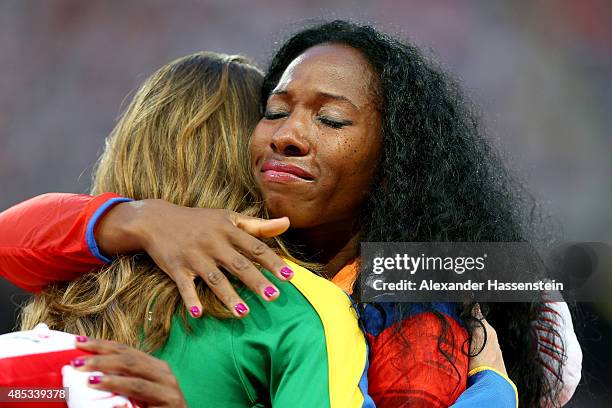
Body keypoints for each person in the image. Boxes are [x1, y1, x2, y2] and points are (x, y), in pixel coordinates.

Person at [0, 20, 578, 406]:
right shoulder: (178, 256)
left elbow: (553, 343)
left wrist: (496, 388)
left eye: (330, 121)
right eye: (274, 112)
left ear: (397, 158)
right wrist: (142, 218)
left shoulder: (417, 274)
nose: (289, 137)